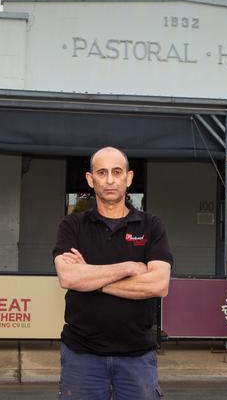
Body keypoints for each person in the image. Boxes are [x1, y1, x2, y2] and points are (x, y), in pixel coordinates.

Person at [53, 146, 173, 400]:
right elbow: (68, 277)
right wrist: (128, 268)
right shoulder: (72, 225)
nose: (109, 180)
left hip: (137, 358)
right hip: (82, 357)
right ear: (90, 179)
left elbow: (158, 284)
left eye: (117, 172)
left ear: (128, 178)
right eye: (102, 172)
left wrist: (91, 278)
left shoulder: (151, 226)